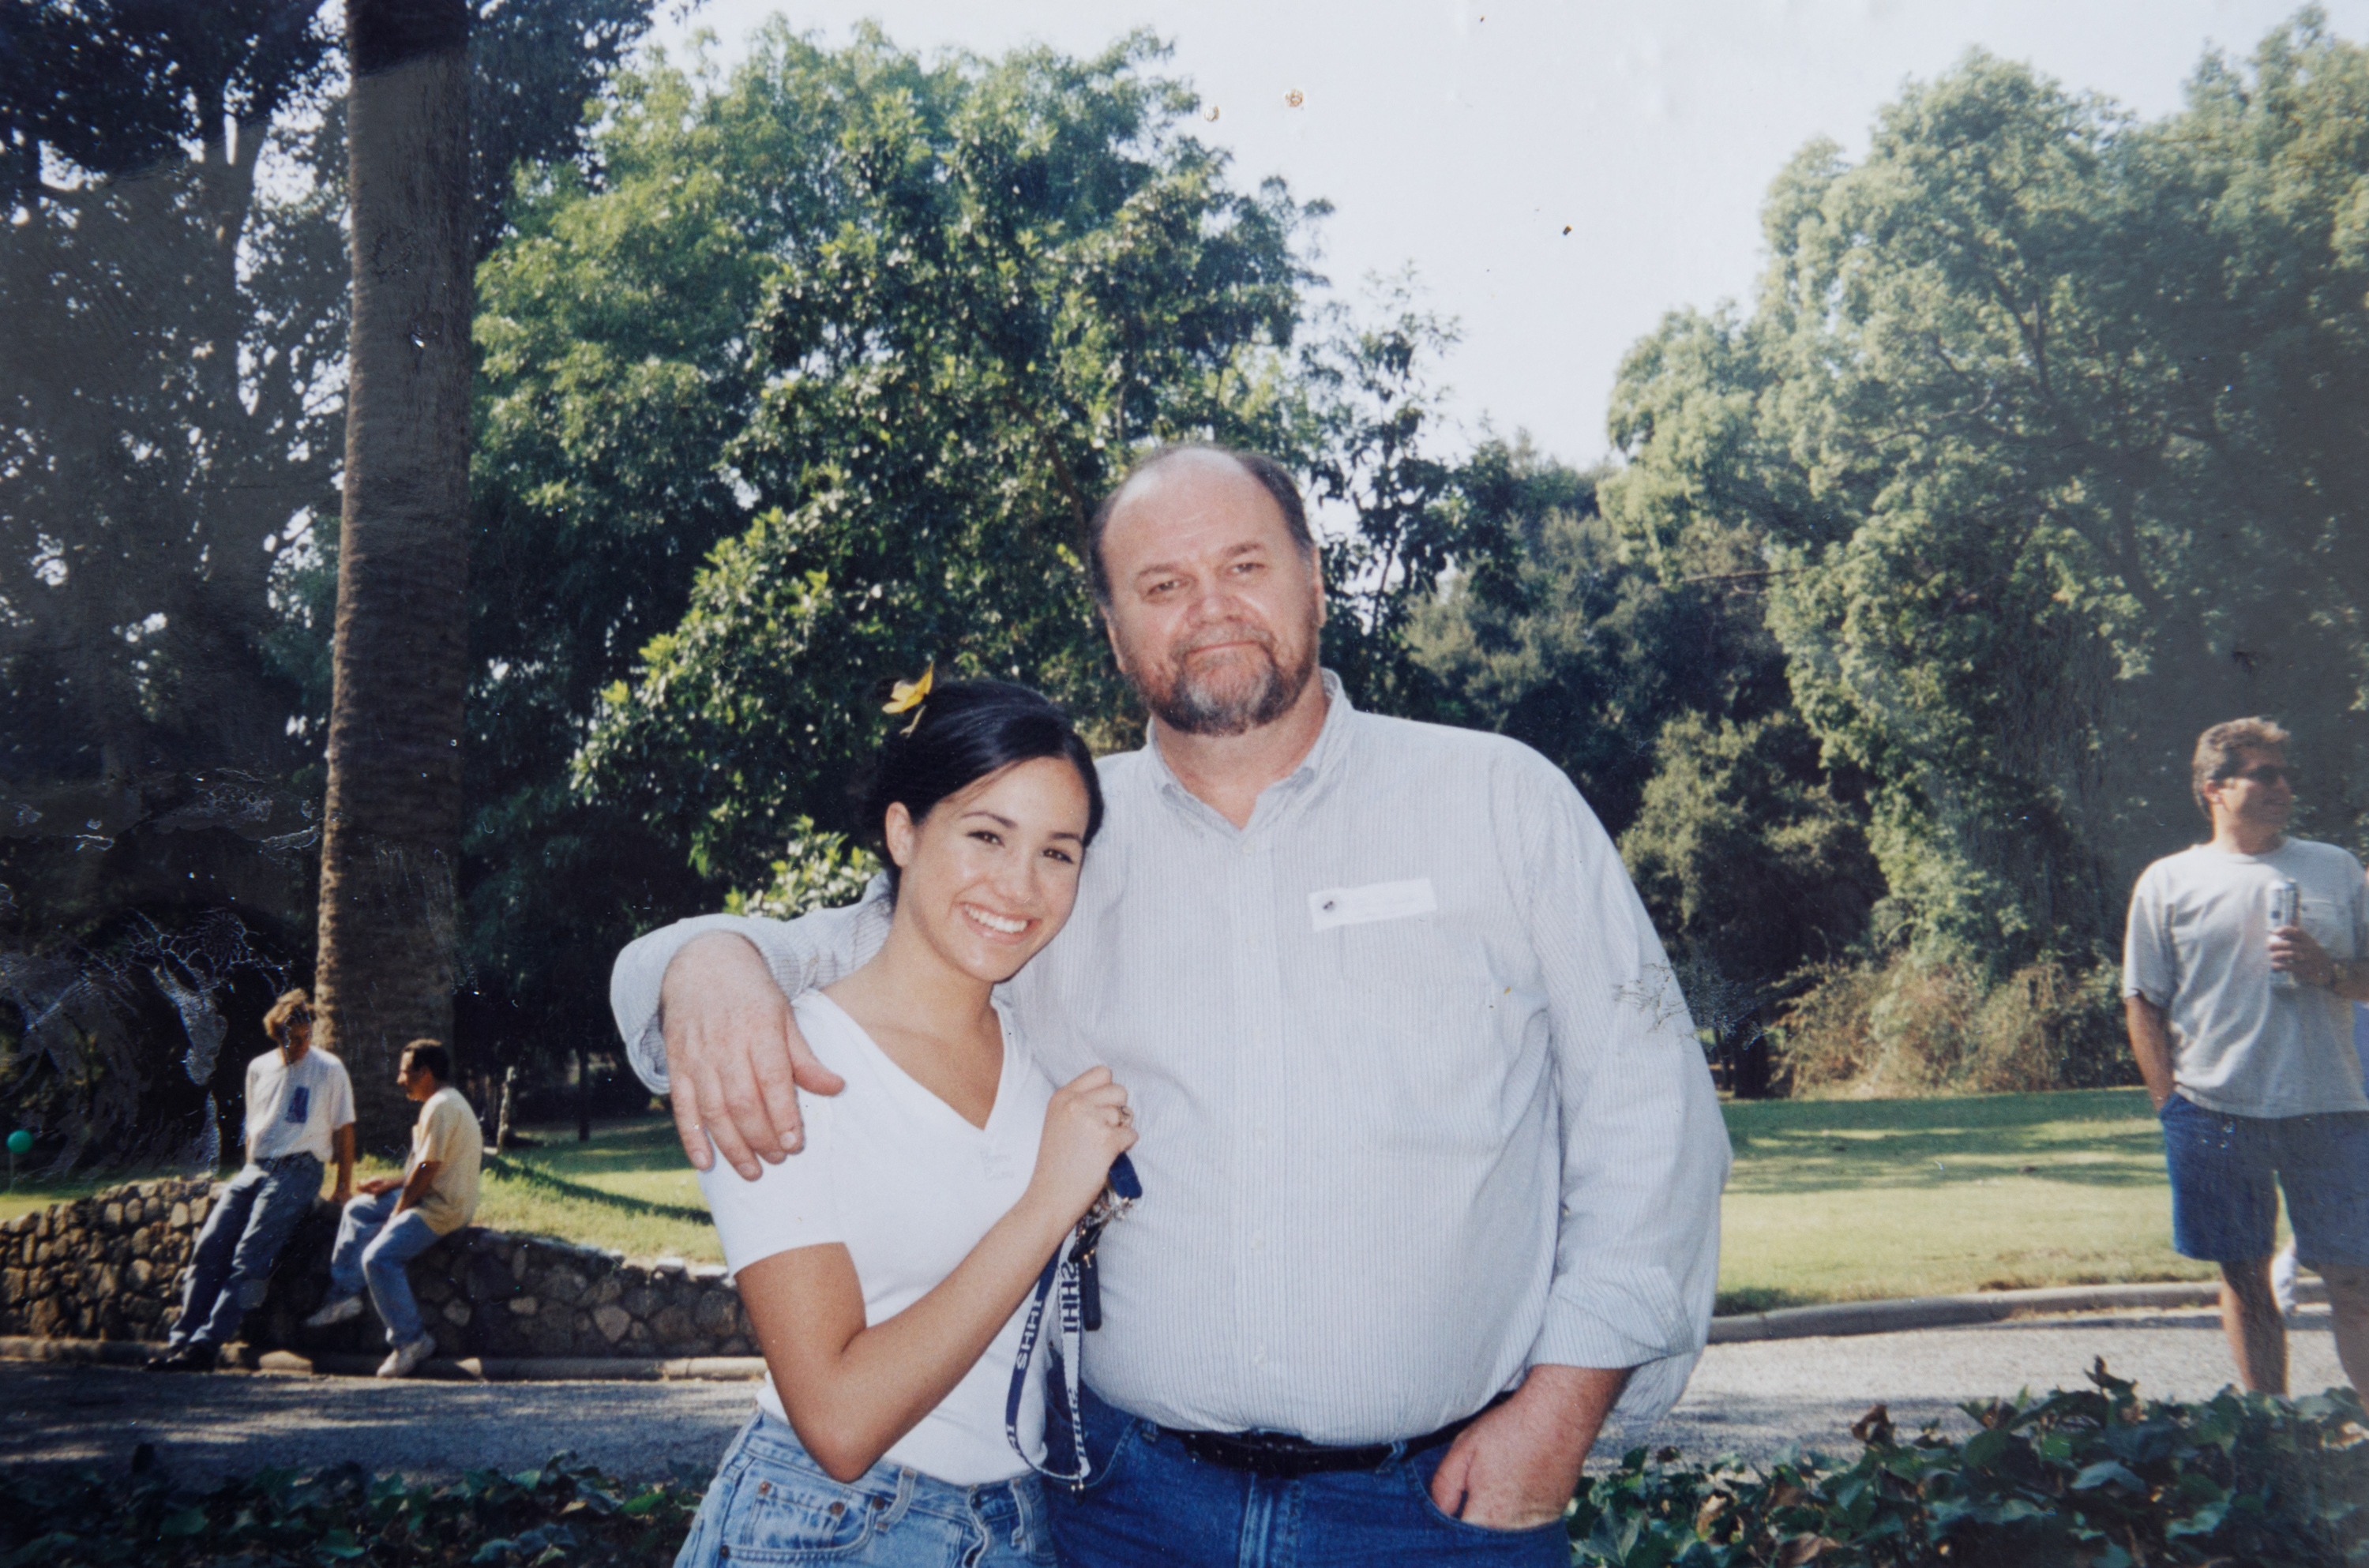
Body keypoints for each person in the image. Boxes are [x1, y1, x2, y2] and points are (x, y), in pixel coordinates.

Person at [613, 445, 1731, 1566]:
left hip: (1434, 1510)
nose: (1211, 607)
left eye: (1245, 563)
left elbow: (1653, 1125)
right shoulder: (1055, 852)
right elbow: (831, 948)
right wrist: (702, 959)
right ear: (1114, 625)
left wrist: (1560, 1413)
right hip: (1122, 1510)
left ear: (1315, 578)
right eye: (1162, 583)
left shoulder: (1501, 803)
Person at [668, 678, 1138, 1568]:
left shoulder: (1042, 1069)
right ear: (902, 831)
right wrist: (1047, 1204)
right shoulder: (789, 1060)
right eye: (987, 835)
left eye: (1058, 852)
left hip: (1019, 1525)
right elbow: (839, 1421)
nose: (1020, 885)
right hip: (831, 1527)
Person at [2123, 716, 2369, 1395]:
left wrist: (2330, 972)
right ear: (2215, 789)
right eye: (2264, 775)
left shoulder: (2334, 867)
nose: (2282, 787)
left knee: (2356, 1281)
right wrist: (2169, 1104)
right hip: (2215, 1110)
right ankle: (2271, 1435)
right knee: (2246, 1277)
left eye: (2284, 774)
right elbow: (2143, 1000)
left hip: (2333, 1107)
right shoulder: (2169, 881)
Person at [148, 988, 355, 1372]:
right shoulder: (259, 1068)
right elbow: (255, 1122)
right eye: (293, 1039)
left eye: (307, 1036)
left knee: (251, 1255)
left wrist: (343, 1184)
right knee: (210, 1247)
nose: (301, 1045)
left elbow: (345, 1128)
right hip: (255, 1169)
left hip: (300, 1168)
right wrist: (249, 1167)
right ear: (277, 1034)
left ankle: (207, 1344)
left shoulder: (329, 1069)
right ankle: (180, 1341)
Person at [302, 1040, 484, 1379]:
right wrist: (391, 1184)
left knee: (378, 1257)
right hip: (430, 1196)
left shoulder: (441, 1106)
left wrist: (399, 1211)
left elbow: (429, 1169)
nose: (400, 1080)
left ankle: (411, 1341)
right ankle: (343, 1296)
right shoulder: (441, 1102)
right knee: (357, 1209)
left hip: (442, 1209)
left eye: (405, 1072)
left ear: (425, 1073)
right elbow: (427, 1168)